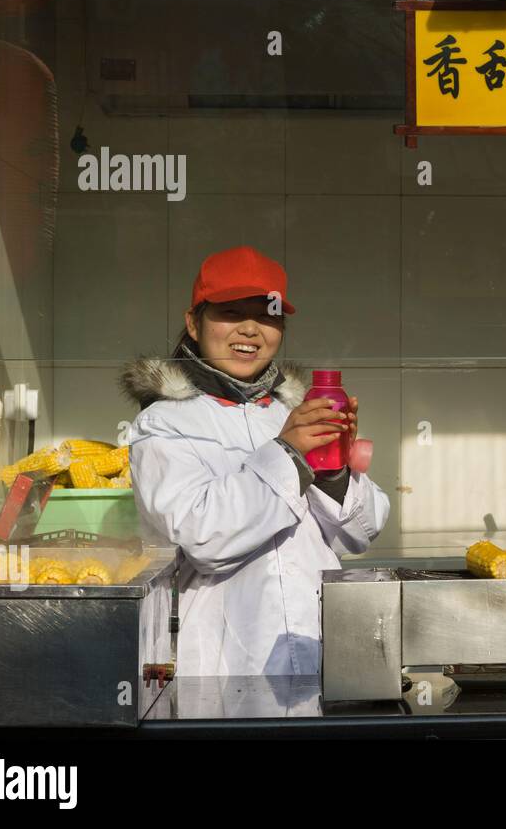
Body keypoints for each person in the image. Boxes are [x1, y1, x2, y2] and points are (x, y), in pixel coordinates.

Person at [121, 245, 390, 675]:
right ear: (194, 323)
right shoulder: (162, 424)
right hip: (224, 665)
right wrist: (289, 454)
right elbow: (203, 537)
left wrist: (334, 467)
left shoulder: (291, 414)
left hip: (322, 647)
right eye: (230, 312)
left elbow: (359, 533)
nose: (250, 329)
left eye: (267, 314)